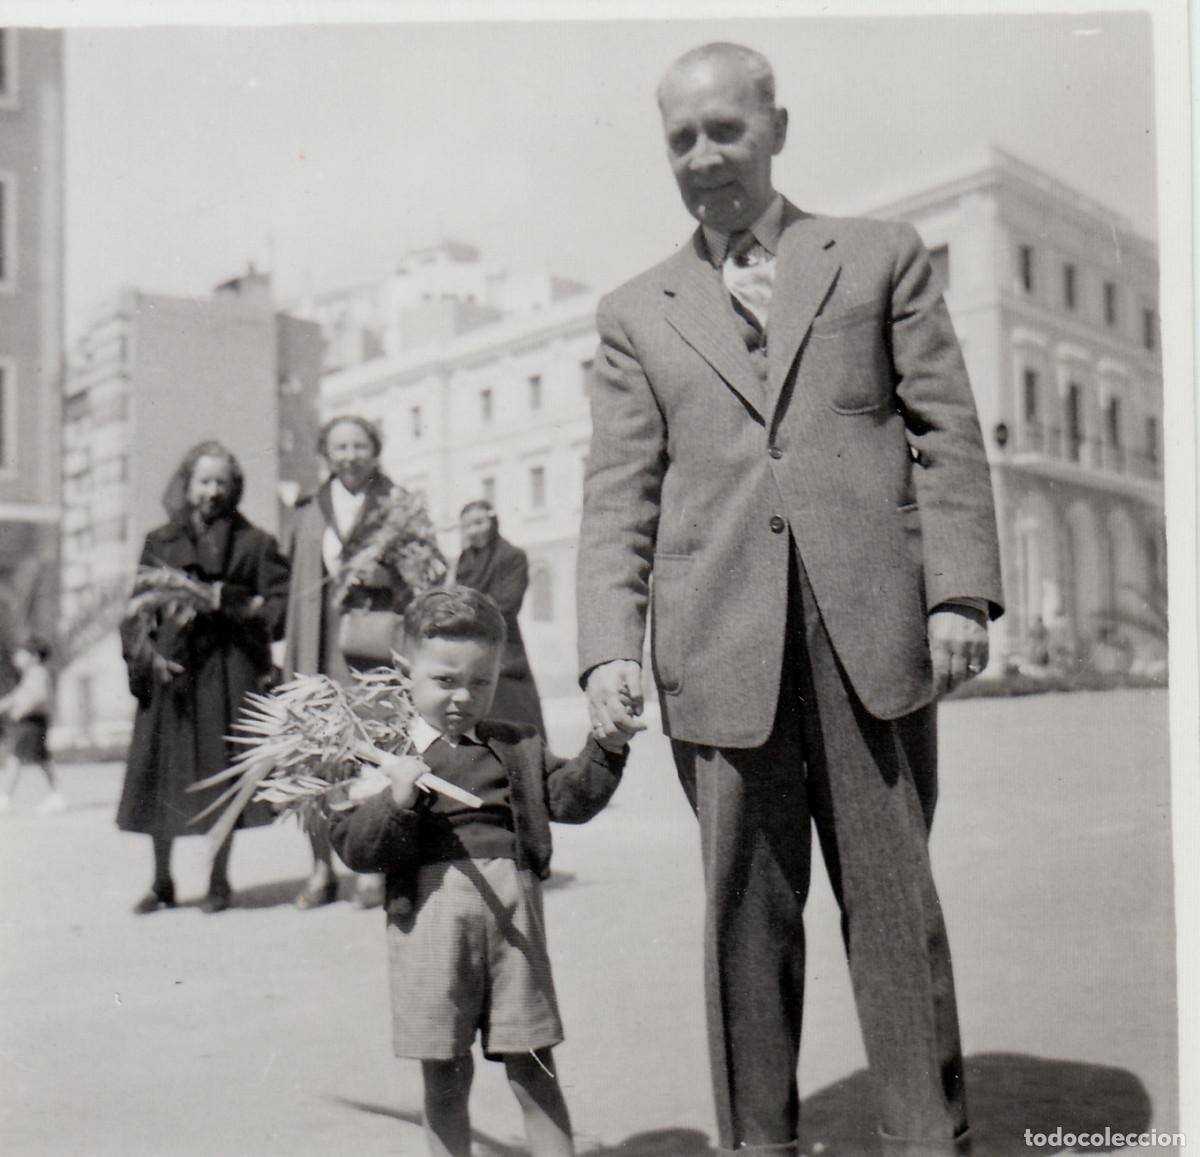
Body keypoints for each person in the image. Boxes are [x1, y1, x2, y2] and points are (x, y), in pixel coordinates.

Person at [577, 43, 1003, 1157]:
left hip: (871, 635)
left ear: (776, 126)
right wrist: (605, 650)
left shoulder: (877, 257)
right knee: (743, 924)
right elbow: (617, 494)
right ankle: (757, 1140)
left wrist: (958, 593)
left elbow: (945, 434)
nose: (704, 156)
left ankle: (925, 1134)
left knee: (894, 910)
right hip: (718, 649)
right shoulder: (636, 311)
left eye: (725, 129)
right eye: (681, 138)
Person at [328, 587, 627, 1157]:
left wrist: (606, 748)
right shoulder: (383, 754)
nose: (464, 697)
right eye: (445, 681)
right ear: (405, 670)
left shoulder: (515, 745)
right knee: (444, 1076)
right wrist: (395, 800)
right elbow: (354, 846)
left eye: (481, 682)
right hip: (429, 926)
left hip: (514, 924)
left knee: (534, 1069)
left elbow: (568, 800)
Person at [117, 441, 290, 914]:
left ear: (234, 488)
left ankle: (218, 880)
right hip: (171, 673)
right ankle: (161, 880)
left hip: (226, 675)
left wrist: (232, 602)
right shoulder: (160, 541)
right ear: (187, 485)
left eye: (222, 482)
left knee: (220, 775)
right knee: (161, 776)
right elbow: (136, 609)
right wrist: (141, 658)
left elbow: (279, 611)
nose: (212, 491)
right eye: (204, 481)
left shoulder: (254, 543)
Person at [282, 415, 419, 909]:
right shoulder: (308, 510)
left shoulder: (397, 504)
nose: (350, 456)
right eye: (339, 447)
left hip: (374, 650)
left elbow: (429, 570)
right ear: (326, 453)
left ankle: (372, 867)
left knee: (374, 752)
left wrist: (387, 574)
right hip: (316, 648)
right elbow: (289, 579)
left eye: (359, 446)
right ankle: (320, 869)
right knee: (316, 755)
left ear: (375, 450)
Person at [453, 500, 545, 736]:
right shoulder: (465, 562)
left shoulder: (512, 556)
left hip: (506, 650)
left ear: (493, 522)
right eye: (467, 526)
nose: (474, 530)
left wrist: (464, 611)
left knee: (516, 716)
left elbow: (506, 604)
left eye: (479, 523)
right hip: (471, 649)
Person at [0, 637, 66, 816]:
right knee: (42, 759)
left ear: (34, 657)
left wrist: (21, 711)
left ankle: (5, 799)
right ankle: (56, 795)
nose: (16, 658)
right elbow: (17, 696)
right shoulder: (31, 674)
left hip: (31, 722)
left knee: (15, 759)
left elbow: (40, 696)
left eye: (21, 654)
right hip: (34, 722)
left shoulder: (37, 673)